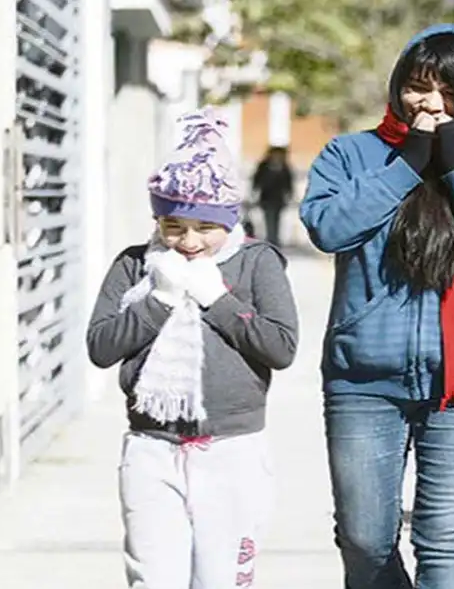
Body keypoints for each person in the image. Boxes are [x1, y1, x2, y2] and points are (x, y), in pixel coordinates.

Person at [299, 24, 454, 589]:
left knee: (443, 539)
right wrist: (406, 164)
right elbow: (328, 228)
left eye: (450, 91)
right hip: (363, 382)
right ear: (397, 87)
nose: (431, 103)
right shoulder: (352, 154)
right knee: (364, 541)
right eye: (418, 86)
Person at [86, 108, 299, 589]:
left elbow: (281, 347)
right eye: (174, 226)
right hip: (150, 449)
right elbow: (100, 346)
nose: (189, 242)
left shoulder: (257, 264)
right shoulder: (136, 266)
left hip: (233, 450)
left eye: (206, 227)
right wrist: (159, 300)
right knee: (152, 580)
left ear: (229, 219)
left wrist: (217, 300)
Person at [252, 146, 295, 247]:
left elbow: (288, 183)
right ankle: (271, 239)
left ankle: (274, 238)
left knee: (277, 219)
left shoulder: (284, 166)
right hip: (266, 198)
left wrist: (290, 194)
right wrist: (255, 192)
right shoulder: (264, 166)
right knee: (269, 218)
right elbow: (257, 180)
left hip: (279, 199)